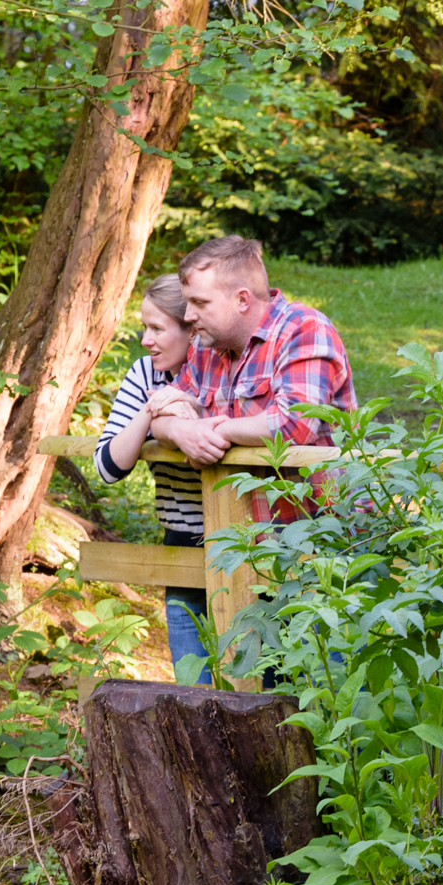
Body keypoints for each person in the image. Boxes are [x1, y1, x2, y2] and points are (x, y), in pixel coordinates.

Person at [147, 236, 357, 499]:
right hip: (240, 533)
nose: (188, 315)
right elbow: (158, 413)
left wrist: (214, 432)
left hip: (319, 529)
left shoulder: (303, 328)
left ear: (242, 300)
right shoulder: (206, 347)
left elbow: (295, 424)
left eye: (200, 303)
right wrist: (182, 431)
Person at [93, 274, 214, 684]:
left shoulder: (223, 368)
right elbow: (108, 466)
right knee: (191, 678)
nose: (146, 339)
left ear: (192, 330)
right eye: (145, 327)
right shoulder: (146, 374)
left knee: (253, 676)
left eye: (158, 328)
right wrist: (149, 412)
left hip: (241, 539)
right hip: (180, 539)